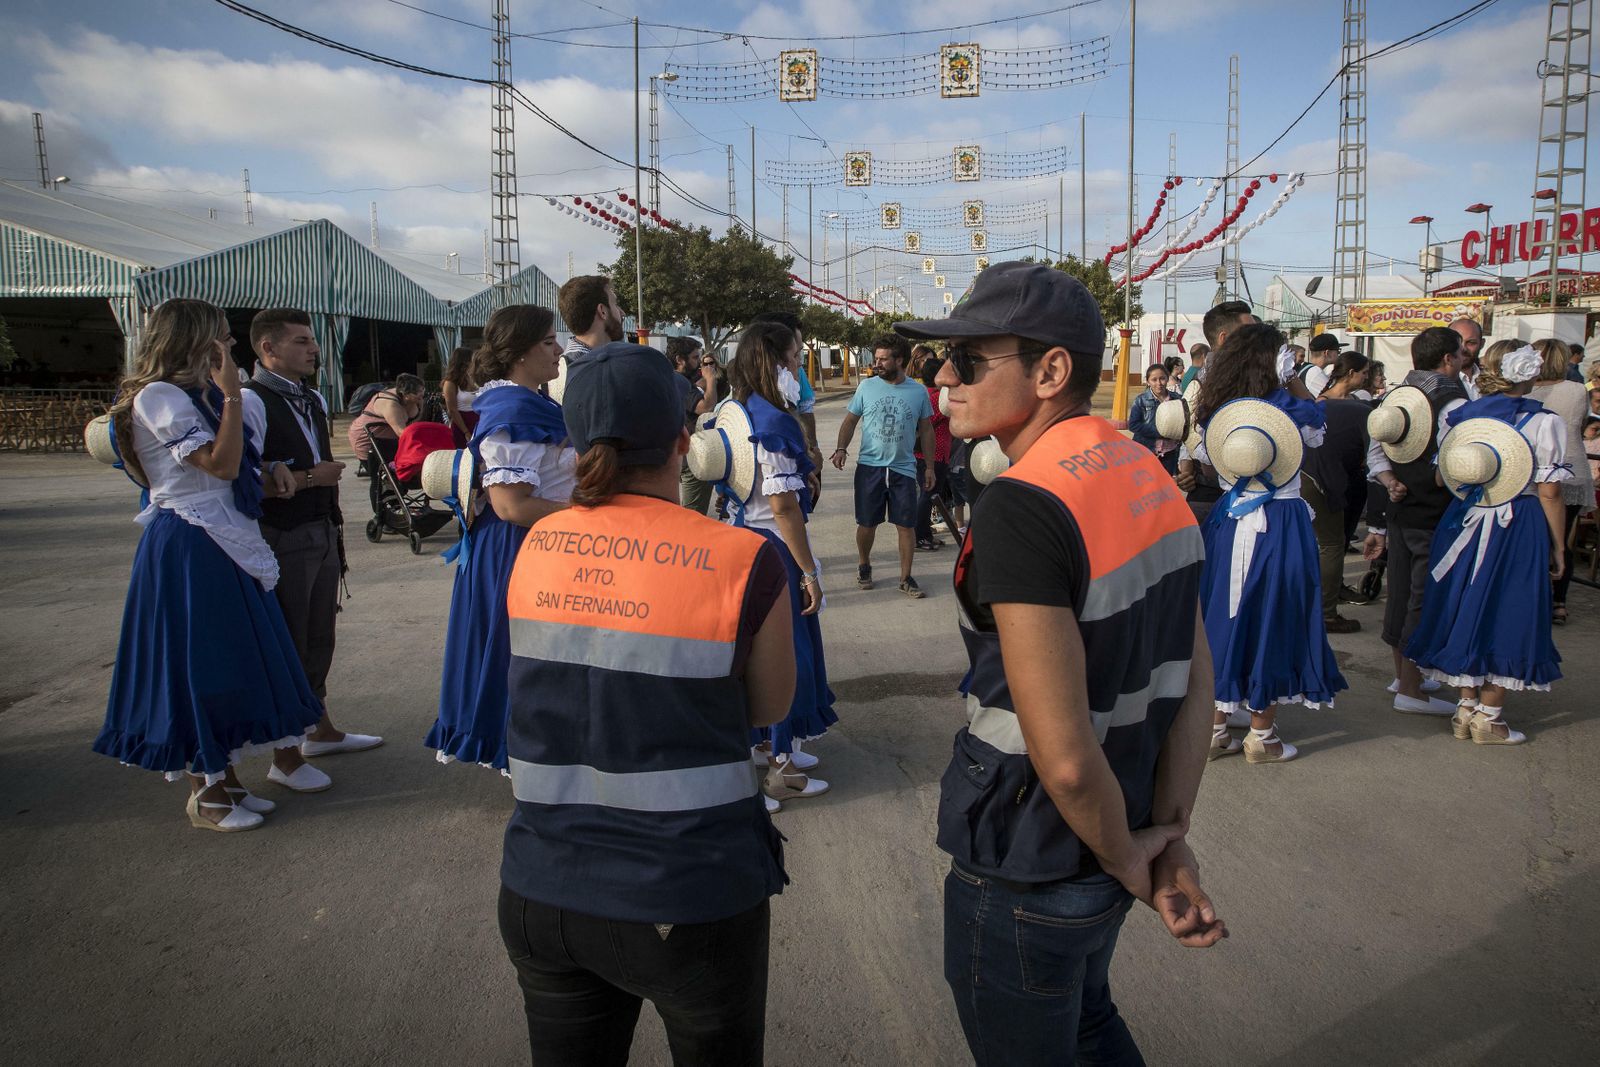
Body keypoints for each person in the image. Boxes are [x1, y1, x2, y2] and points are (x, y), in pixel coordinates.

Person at [895, 262, 1225, 1066]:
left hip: (1033, 853)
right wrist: (1166, 833)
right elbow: (1195, 681)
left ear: (1050, 372)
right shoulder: (1149, 471)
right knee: (1086, 1021)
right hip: (1118, 838)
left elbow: (1068, 761)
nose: (944, 376)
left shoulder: (1024, 504)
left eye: (970, 359)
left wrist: (1134, 858)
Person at [497, 342, 794, 1066]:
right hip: (687, 894)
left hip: (542, 886)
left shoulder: (536, 543)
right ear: (682, 443)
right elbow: (769, 704)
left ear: (574, 443)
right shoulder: (742, 558)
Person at [95, 299, 321, 830]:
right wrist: (232, 398)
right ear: (194, 339)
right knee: (198, 664)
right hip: (192, 542)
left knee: (230, 660)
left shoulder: (199, 397)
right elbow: (218, 466)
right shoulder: (159, 397)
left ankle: (227, 779)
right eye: (221, 336)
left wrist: (272, 469)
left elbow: (236, 464)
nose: (230, 346)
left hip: (225, 538)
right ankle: (205, 792)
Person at [1190, 324, 1347, 763]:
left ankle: (1215, 728)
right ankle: (1262, 733)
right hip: (1280, 520)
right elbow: (1317, 419)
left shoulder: (1217, 409)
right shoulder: (1293, 410)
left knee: (1222, 611)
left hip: (1229, 517)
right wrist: (1292, 380)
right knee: (1275, 614)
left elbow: (1205, 465)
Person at [427, 305, 573, 772]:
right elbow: (511, 505)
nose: (559, 349)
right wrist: (589, 516)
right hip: (519, 548)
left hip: (529, 542)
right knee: (525, 661)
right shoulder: (513, 407)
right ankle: (529, 766)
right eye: (549, 341)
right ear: (520, 352)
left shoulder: (521, 399)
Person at [1405, 341, 1568, 746]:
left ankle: (1466, 706)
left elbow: (1443, 478)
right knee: (1511, 608)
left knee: (1466, 602)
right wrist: (1559, 545)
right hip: (1518, 521)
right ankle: (1490, 716)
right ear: (1530, 373)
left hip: (1464, 519)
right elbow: (1549, 492)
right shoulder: (1544, 422)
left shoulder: (1461, 416)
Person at [245, 309, 381, 784]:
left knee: (319, 635)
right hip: (282, 536)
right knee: (289, 640)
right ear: (268, 349)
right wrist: (307, 479)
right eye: (301, 341)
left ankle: (318, 729)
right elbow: (240, 478)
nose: (314, 349)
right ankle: (284, 757)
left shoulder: (311, 398)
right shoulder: (251, 400)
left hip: (321, 530)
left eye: (312, 340)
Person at [724, 322, 835, 802]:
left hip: (744, 542)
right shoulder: (771, 421)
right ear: (775, 361)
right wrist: (809, 571)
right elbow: (783, 508)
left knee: (760, 654)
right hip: (772, 550)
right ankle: (782, 767)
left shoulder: (739, 409)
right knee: (783, 657)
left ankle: (772, 744)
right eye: (794, 356)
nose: (798, 364)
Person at [1363, 326, 1469, 714]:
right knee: (1421, 599)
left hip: (1399, 507)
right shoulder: (1452, 399)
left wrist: (1390, 480)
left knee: (1401, 592)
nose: (1463, 359)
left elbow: (1376, 449)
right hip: (1432, 510)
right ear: (1447, 359)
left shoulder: (1395, 396)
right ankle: (1411, 688)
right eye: (1460, 353)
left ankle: (1402, 676)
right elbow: (1456, 459)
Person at [832, 333, 937, 597]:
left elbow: (926, 430)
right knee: (867, 523)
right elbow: (850, 421)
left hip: (903, 469)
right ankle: (864, 564)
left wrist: (931, 467)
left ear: (899, 360)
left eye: (883, 359)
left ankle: (905, 577)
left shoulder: (918, 391)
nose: (877, 364)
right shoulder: (866, 388)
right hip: (870, 468)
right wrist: (841, 448)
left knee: (906, 525)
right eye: (875, 358)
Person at [1301, 351, 1372, 634]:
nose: (1367, 377)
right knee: (1331, 545)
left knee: (1316, 544)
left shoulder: (1318, 403)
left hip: (1307, 477)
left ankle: (1322, 598)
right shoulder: (1362, 411)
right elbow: (1373, 458)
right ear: (1352, 373)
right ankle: (1327, 612)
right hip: (1324, 481)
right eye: (1365, 372)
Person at [1530, 338, 1596, 626]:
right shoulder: (1577, 390)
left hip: (1538, 470)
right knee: (1562, 538)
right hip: (1573, 467)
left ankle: (1536, 599)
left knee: (1534, 538)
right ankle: (1559, 602)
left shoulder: (1526, 392)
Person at [1176, 302, 1257, 518]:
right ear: (1223, 338)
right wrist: (1186, 471)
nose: (1255, 339)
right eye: (1248, 333)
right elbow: (1187, 433)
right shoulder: (1199, 385)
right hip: (1210, 495)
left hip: (1254, 496)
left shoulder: (1255, 377)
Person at [348, 373, 424, 514]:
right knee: (380, 476)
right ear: (405, 394)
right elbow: (402, 433)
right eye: (417, 393)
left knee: (397, 475)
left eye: (422, 391)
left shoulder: (415, 399)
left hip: (388, 439)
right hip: (368, 441)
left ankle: (397, 507)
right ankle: (381, 516)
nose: (421, 395)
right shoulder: (390, 404)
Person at [913, 355, 954, 549]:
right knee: (928, 495)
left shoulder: (924, 393)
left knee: (929, 495)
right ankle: (919, 536)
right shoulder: (938, 398)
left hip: (928, 454)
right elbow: (928, 423)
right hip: (934, 454)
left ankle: (925, 534)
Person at [555, 274, 625, 381]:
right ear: (602, 311)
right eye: (615, 304)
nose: (622, 313)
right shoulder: (593, 372)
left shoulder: (563, 368)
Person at [1128, 362, 1180, 473]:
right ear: (1148, 381)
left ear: (1167, 378)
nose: (1159, 383)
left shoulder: (1177, 400)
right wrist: (1160, 431)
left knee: (1166, 485)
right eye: (1154, 380)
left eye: (1162, 378)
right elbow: (1133, 425)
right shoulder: (1141, 400)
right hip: (1146, 451)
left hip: (1170, 453)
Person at [442, 345, 478, 447]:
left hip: (478, 422)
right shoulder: (450, 383)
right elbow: (452, 410)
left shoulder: (474, 379)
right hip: (462, 424)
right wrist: (466, 432)